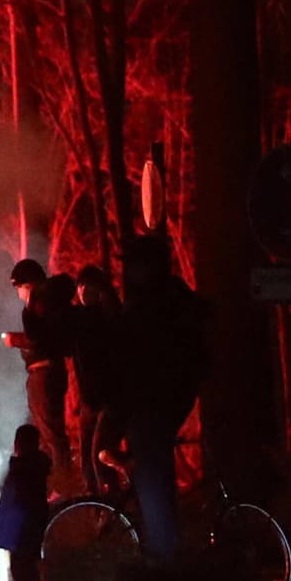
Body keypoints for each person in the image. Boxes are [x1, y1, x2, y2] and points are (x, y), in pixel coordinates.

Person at [116, 234, 208, 563]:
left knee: (153, 480)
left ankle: (164, 562)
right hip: (164, 402)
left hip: (153, 405)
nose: (128, 273)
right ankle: (165, 553)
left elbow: (137, 359)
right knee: (155, 478)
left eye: (133, 266)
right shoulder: (170, 297)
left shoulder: (153, 304)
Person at [4, 258, 74, 495]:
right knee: (49, 432)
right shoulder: (50, 303)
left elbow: (40, 340)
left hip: (43, 374)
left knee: (51, 433)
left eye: (18, 288)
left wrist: (16, 341)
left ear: (27, 284)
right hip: (49, 372)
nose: (19, 294)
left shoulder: (40, 302)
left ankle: (63, 488)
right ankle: (57, 484)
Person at [72, 266, 125, 494]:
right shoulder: (80, 319)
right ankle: (96, 506)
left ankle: (114, 504)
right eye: (80, 285)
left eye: (88, 285)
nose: (83, 290)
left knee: (98, 455)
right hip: (89, 399)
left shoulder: (108, 317)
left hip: (107, 398)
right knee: (87, 460)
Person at [0, 424, 51, 581]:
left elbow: (14, 496)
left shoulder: (21, 468)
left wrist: (2, 510)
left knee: (20, 565)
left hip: (20, 526)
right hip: (33, 521)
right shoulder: (38, 465)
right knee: (30, 562)